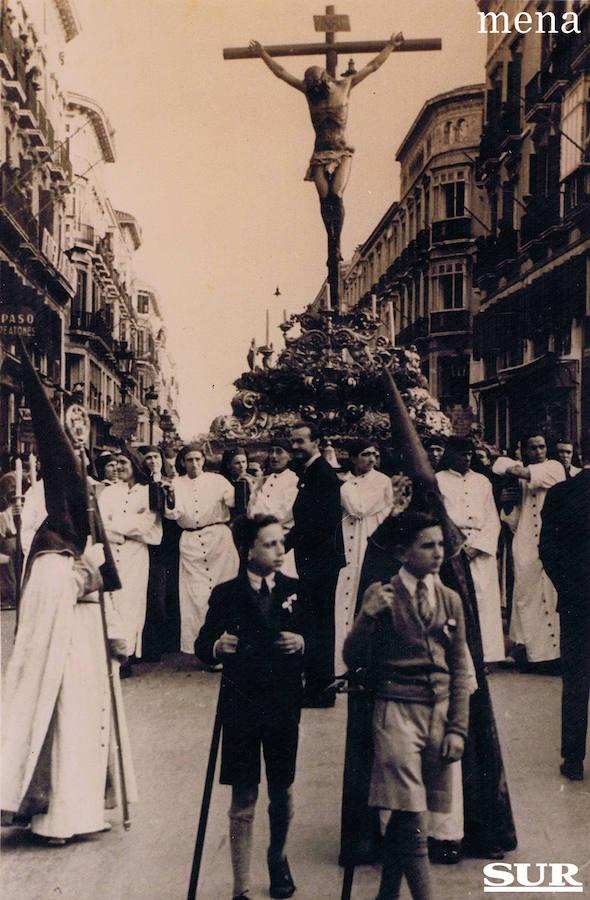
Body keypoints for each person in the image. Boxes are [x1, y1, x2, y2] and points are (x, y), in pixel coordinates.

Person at [1, 343, 136, 843]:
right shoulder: (51, 550)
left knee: (86, 723)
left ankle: (84, 812)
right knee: (65, 725)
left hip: (84, 653)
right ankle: (57, 816)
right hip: (59, 665)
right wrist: (88, 581)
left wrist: (113, 626)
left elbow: (100, 579)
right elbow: (63, 592)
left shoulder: (79, 530)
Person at [343, 512, 470, 900]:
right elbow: (352, 658)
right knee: (413, 816)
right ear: (403, 552)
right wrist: (366, 617)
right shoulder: (383, 596)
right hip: (396, 711)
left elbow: (460, 666)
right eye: (427, 546)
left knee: (409, 814)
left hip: (439, 713)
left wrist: (457, 728)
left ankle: (386, 895)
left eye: (441, 545)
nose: (438, 553)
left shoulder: (449, 599)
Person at [195, 515, 305, 900]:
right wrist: (215, 649)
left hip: (283, 705)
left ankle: (278, 857)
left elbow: (320, 641)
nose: (279, 551)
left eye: (281, 543)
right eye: (270, 544)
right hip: (241, 705)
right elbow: (203, 642)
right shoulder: (226, 594)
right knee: (243, 793)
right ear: (249, 550)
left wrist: (302, 643)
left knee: (282, 789)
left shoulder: (295, 589)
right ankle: (240, 884)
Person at [248, 33, 403, 264]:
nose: (315, 93)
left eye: (317, 88)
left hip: (342, 151)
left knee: (335, 194)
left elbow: (373, 66)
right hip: (320, 153)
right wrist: (262, 54)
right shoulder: (309, 91)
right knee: (323, 199)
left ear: (326, 80)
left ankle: (336, 243)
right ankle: (331, 244)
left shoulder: (345, 85)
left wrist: (390, 46)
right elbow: (281, 73)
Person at [493, 432, 565, 668]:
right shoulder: (520, 476)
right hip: (525, 544)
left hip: (553, 542)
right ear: (524, 450)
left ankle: (556, 655)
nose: (538, 452)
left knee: (552, 595)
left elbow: (516, 470)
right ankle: (532, 653)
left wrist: (503, 463)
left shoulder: (554, 468)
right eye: (532, 448)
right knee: (527, 598)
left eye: (542, 447)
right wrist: (507, 502)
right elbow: (513, 520)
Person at [286, 421, 345, 707]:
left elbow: (314, 524)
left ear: (316, 442)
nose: (295, 447)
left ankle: (320, 690)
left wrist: (281, 544)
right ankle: (318, 686)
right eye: (293, 441)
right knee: (315, 623)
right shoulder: (312, 472)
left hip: (320, 561)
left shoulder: (321, 474)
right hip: (316, 560)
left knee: (318, 625)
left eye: (300, 441)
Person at [540, 462, 590, 781]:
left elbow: (547, 549)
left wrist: (568, 587)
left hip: (576, 601)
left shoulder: (562, 493)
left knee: (576, 681)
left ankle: (573, 760)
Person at [436, 437, 505, 663]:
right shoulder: (438, 480)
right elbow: (438, 516)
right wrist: (455, 544)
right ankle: (456, 655)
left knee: (483, 599)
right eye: (461, 454)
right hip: (452, 547)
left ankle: (483, 657)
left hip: (478, 546)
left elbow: (492, 519)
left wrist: (477, 547)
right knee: (455, 600)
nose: (466, 458)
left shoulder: (483, 482)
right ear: (450, 455)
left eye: (469, 454)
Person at [165, 443, 239, 655]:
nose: (194, 464)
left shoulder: (217, 480)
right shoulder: (176, 483)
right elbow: (173, 514)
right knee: (196, 597)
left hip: (218, 541)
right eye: (189, 460)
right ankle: (204, 649)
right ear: (182, 462)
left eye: (198, 459)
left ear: (204, 460)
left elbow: (234, 500)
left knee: (224, 590)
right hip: (191, 544)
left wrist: (244, 485)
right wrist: (169, 498)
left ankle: (230, 646)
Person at [99, 448, 162, 673]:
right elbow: (99, 521)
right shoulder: (109, 492)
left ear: (135, 464)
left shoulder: (148, 491)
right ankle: (113, 652)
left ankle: (127, 655)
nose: (118, 467)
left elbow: (146, 525)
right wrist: (124, 528)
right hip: (112, 551)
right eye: (116, 463)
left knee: (131, 603)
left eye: (123, 462)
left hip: (135, 554)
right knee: (112, 601)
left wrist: (115, 527)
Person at [334, 440, 393, 675]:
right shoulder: (347, 481)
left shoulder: (381, 481)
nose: (371, 459)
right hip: (348, 545)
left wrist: (344, 485)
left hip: (370, 542)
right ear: (354, 458)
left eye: (374, 454)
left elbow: (358, 508)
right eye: (365, 454)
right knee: (344, 599)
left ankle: (365, 662)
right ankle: (340, 662)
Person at [247, 438, 299, 577]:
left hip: (283, 540)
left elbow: (283, 514)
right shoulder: (265, 480)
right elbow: (252, 511)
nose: (274, 456)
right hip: (260, 539)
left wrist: (261, 508)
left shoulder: (294, 481)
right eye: (271, 451)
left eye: (279, 452)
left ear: (290, 456)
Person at [221, 446, 255, 521]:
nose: (242, 466)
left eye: (244, 462)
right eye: (237, 463)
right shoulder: (224, 482)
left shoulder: (253, 480)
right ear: (229, 465)